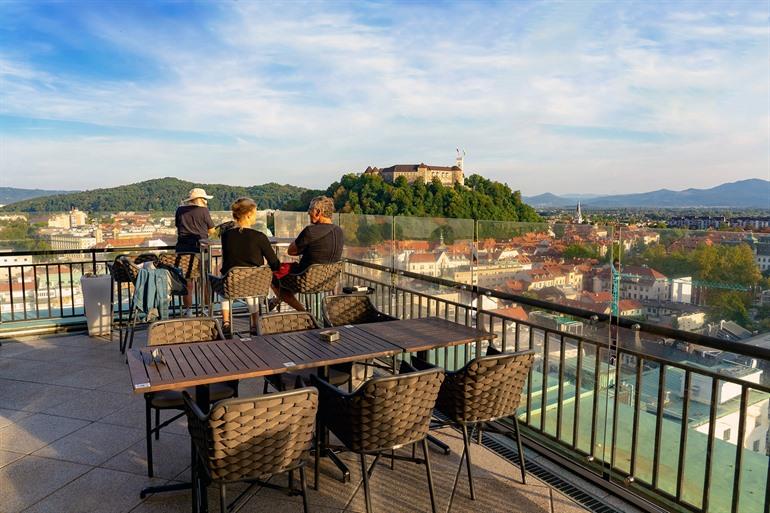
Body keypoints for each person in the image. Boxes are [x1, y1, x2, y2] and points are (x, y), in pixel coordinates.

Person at [212, 197, 280, 334]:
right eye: (255, 213)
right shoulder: (260, 236)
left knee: (226, 286)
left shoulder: (226, 236)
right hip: (253, 285)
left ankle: (226, 322)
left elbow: (227, 260)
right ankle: (254, 323)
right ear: (249, 215)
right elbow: (274, 262)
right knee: (252, 287)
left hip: (231, 284)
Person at [271, 196, 343, 311]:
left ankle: (303, 312)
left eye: (310, 209)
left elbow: (291, 251)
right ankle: (277, 300)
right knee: (287, 276)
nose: (308, 213)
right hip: (328, 279)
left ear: (318, 212)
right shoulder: (339, 231)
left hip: (306, 279)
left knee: (273, 276)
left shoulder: (310, 231)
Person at [174, 187, 217, 315]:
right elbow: (212, 230)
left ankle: (188, 310)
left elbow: (178, 226)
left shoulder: (179, 210)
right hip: (200, 249)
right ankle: (207, 307)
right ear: (200, 199)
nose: (206, 201)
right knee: (205, 279)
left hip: (183, 250)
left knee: (187, 281)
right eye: (204, 199)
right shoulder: (203, 210)